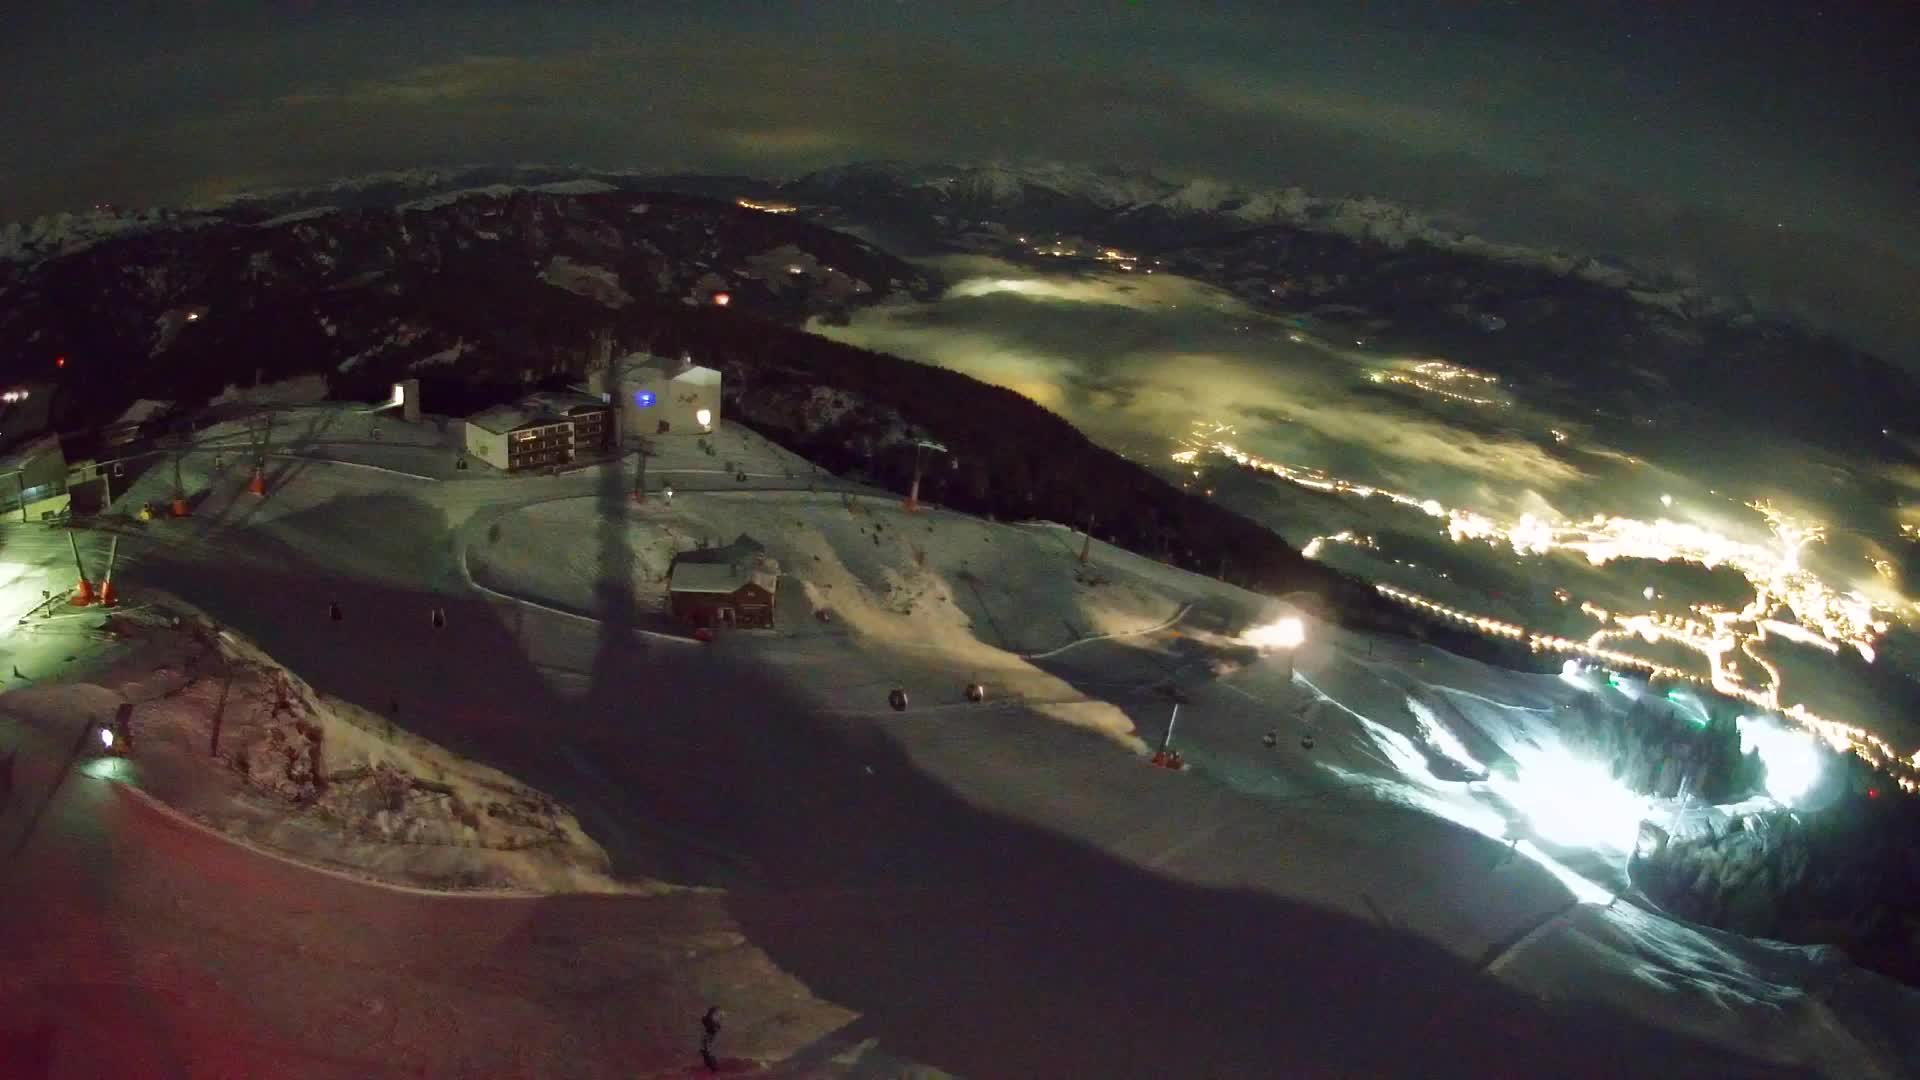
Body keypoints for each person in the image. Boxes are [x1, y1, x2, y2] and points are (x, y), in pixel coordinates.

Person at [699, 1006, 723, 1071]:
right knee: (707, 1052)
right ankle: (712, 1066)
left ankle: (712, 1066)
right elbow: (705, 1022)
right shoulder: (709, 1022)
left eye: (718, 1015)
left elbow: (717, 1030)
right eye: (716, 1014)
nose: (718, 1016)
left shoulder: (715, 1023)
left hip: (710, 1040)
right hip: (708, 1039)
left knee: (709, 1053)